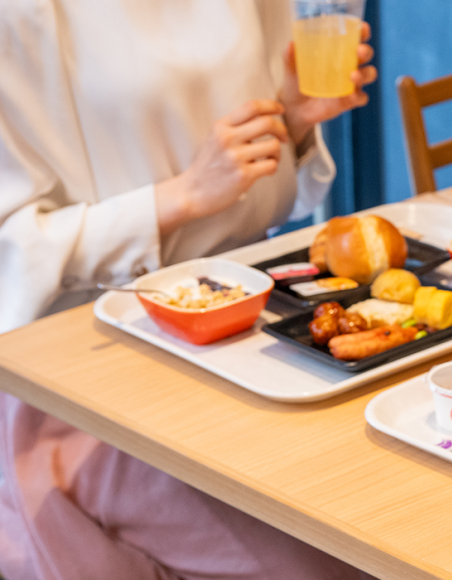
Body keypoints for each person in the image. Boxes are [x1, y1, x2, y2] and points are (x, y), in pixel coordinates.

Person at [0, 2, 377, 578]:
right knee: (331, 554)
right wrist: (177, 198)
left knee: (396, 503)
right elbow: (11, 249)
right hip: (87, 371)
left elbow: (257, 188)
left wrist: (293, 121)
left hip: (251, 331)